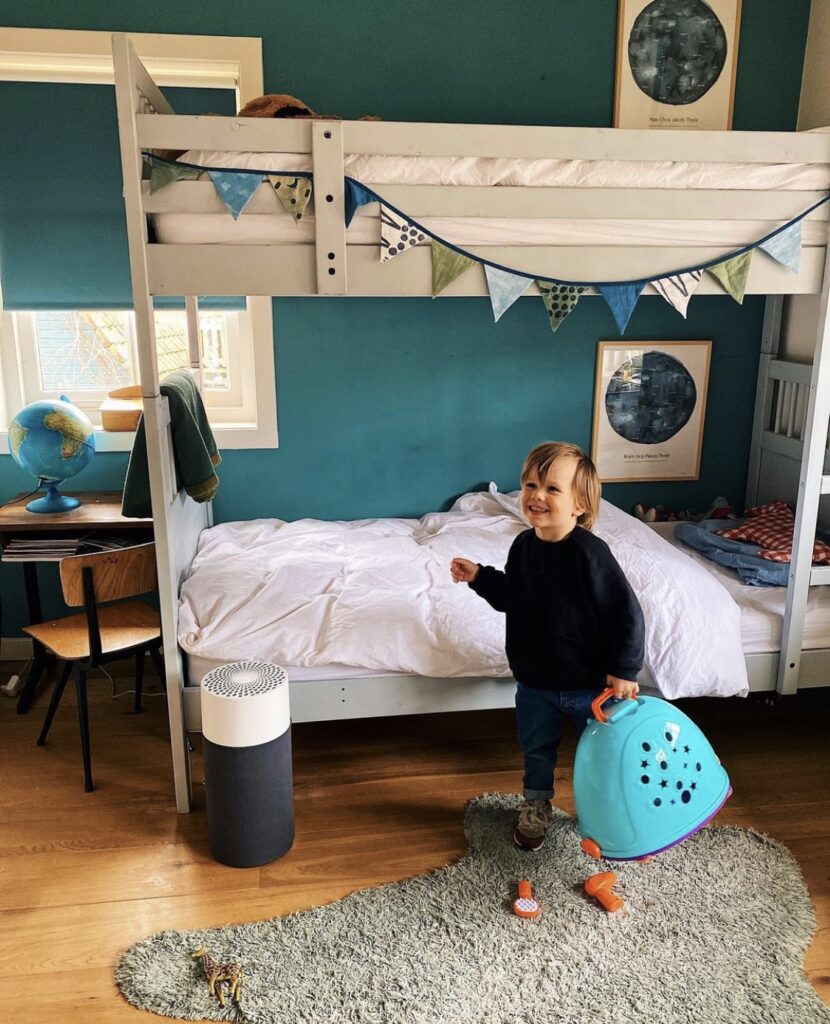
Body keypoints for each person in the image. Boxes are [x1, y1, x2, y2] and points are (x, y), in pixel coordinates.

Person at [450, 441, 645, 851]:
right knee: (537, 749)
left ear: (579, 505)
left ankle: (610, 811)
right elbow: (513, 597)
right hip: (535, 681)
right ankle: (536, 806)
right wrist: (480, 577)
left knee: (603, 751)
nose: (537, 495)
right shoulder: (523, 546)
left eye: (552, 488)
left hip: (588, 684)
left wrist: (624, 670)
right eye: (530, 485)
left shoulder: (590, 554)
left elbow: (625, 613)